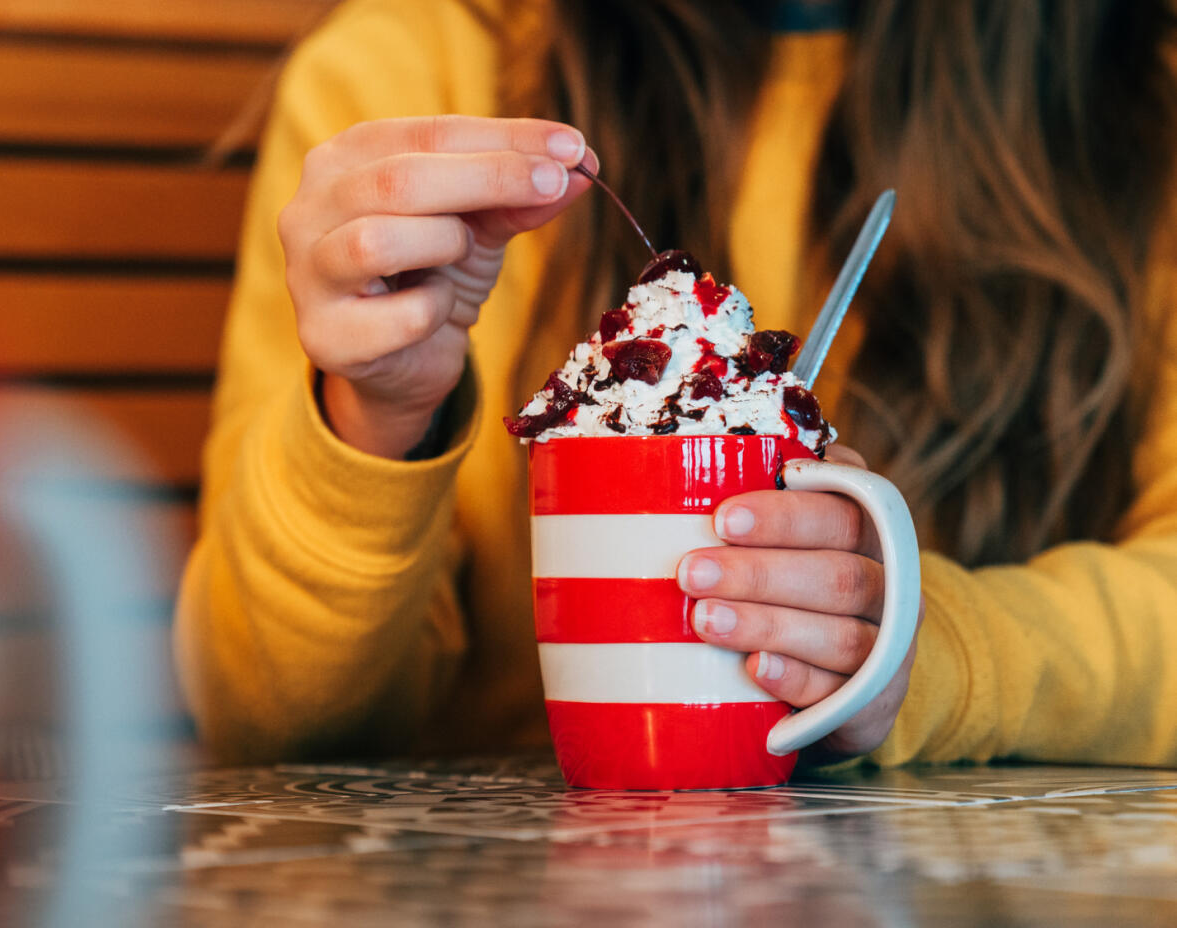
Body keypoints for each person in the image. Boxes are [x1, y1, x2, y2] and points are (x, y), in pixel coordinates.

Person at [174, 0, 1177, 767]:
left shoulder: (1140, 96)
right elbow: (265, 715)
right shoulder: (414, 82)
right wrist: (373, 415)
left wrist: (934, 649)